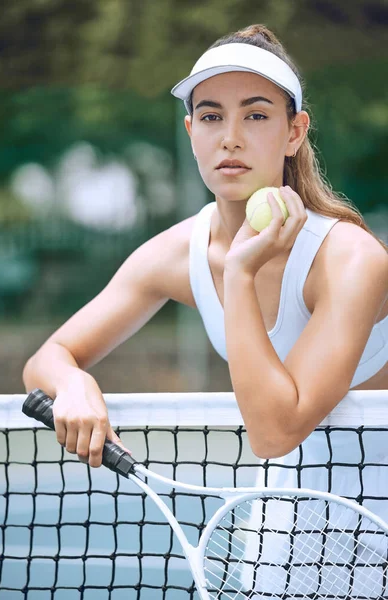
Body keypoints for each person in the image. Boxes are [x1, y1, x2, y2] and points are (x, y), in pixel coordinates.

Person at [23, 24, 388, 470]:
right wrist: (72, 383)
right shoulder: (176, 253)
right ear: (192, 131)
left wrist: (239, 272)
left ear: (294, 133)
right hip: (285, 502)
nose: (230, 137)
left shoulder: (350, 258)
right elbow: (46, 360)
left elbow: (275, 432)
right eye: (212, 116)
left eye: (255, 115)